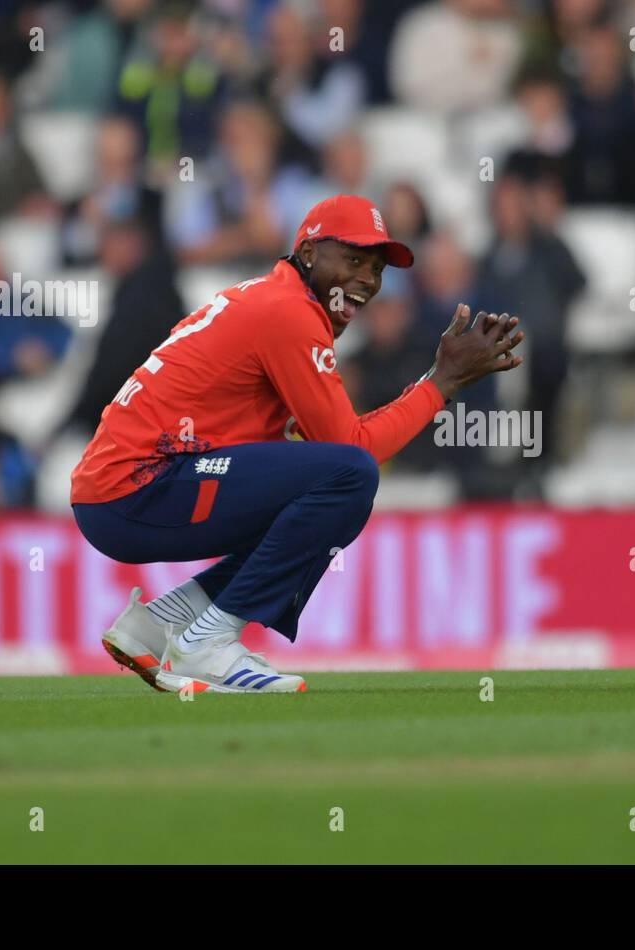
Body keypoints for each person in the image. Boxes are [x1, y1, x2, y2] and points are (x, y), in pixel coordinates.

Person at [69, 195, 524, 694]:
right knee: (348, 480)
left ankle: (160, 624)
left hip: (125, 489)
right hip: (138, 486)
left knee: (319, 488)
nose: (369, 280)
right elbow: (354, 452)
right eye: (353, 260)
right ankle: (207, 643)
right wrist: (442, 382)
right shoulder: (289, 311)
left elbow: (328, 449)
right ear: (308, 253)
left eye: (376, 269)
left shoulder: (271, 299)